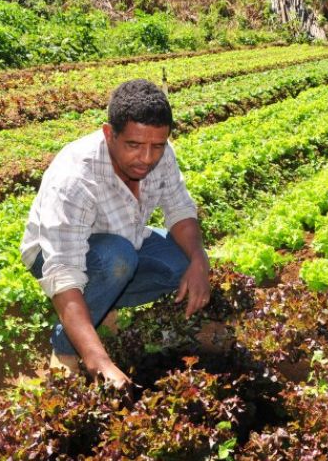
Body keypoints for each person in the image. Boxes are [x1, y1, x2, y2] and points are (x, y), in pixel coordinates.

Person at [20, 79, 211, 389]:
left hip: (126, 239)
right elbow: (64, 274)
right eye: (134, 145)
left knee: (181, 264)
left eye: (157, 146)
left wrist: (199, 260)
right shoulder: (75, 179)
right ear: (109, 134)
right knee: (117, 260)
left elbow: (179, 210)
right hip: (55, 255)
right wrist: (100, 361)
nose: (147, 158)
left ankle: (101, 306)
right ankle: (66, 347)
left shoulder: (161, 154)